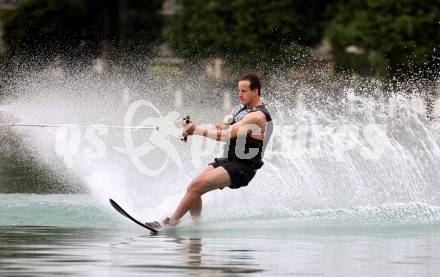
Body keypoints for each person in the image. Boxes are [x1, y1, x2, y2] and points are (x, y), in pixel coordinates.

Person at [147, 74, 273, 230]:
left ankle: (169, 223)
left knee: (197, 186)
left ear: (256, 91)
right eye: (239, 90)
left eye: (244, 91)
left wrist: (197, 131)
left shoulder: (257, 116)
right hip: (229, 160)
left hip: (243, 167)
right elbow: (222, 127)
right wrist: (192, 128)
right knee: (193, 188)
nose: (240, 94)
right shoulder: (240, 109)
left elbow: (226, 135)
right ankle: (197, 226)